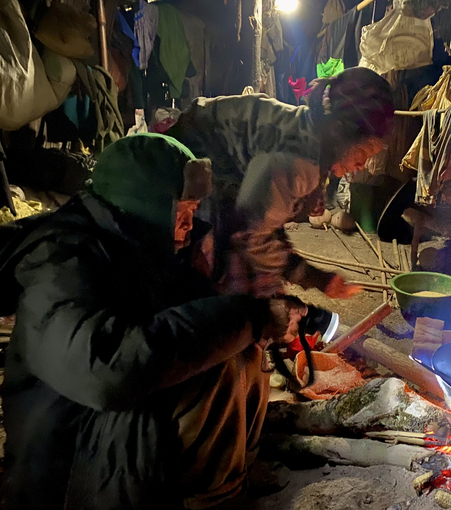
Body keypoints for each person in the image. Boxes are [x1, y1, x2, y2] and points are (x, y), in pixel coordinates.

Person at [0, 134, 305, 510]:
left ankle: (231, 484)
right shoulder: (62, 261)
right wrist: (249, 318)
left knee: (241, 347)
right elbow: (107, 372)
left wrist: (265, 316)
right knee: (219, 367)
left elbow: (200, 310)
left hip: (107, 428)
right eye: (181, 212)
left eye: (193, 210)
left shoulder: (141, 243)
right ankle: (211, 499)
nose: (189, 226)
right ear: (145, 204)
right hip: (65, 464)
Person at [168, 67, 395, 299]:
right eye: (364, 152)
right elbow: (249, 232)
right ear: (339, 132)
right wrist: (313, 277)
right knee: (226, 266)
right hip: (187, 156)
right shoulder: (299, 163)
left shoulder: (316, 133)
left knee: (254, 260)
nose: (363, 165)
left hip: (214, 154)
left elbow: (264, 217)